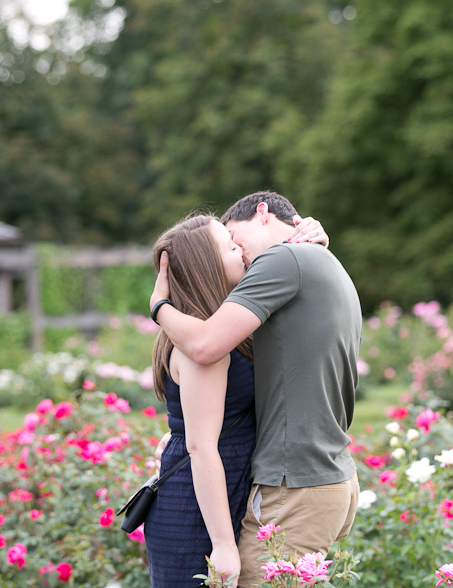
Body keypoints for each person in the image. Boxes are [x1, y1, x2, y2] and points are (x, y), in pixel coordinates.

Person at [150, 191, 362, 588]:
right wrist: (185, 432)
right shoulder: (305, 263)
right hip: (308, 478)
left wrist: (159, 306)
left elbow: (204, 347)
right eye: (228, 244)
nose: (243, 255)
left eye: (235, 238)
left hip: (295, 485)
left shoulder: (285, 260)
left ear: (262, 214)